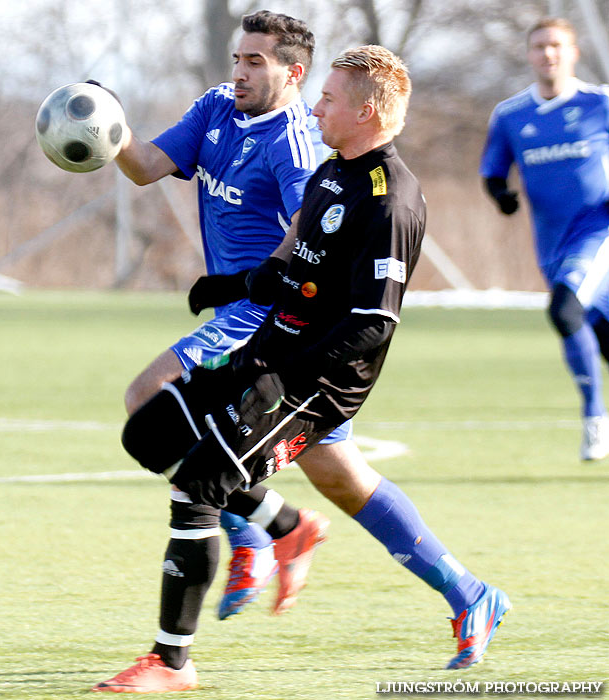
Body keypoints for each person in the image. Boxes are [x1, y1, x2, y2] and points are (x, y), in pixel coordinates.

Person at [92, 44, 511, 694]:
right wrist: (231, 286)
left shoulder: (390, 200)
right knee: (149, 432)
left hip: (314, 385)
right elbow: (289, 262)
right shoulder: (331, 174)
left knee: (200, 485)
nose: (315, 106)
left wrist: (286, 379)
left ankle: (173, 661)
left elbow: (373, 324)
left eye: (329, 99)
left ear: (367, 111)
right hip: (272, 350)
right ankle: (313, 537)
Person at [103, 9, 387, 622]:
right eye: (238, 58)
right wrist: (111, 131)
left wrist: (266, 294)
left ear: (294, 73)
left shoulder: (294, 146)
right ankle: (464, 591)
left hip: (264, 318)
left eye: (255, 62)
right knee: (343, 478)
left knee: (149, 401)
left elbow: (315, 240)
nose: (240, 72)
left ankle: (270, 531)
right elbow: (146, 167)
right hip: (238, 313)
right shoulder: (213, 109)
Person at [481, 17, 609, 461]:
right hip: (550, 241)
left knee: (564, 310)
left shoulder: (601, 104)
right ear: (530, 54)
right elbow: (493, 169)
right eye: (539, 46)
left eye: (556, 45)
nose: (547, 54)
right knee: (595, 332)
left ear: (572, 52)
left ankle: (596, 420)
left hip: (599, 230)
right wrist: (501, 195)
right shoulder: (512, 114)